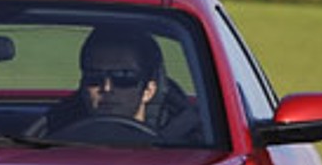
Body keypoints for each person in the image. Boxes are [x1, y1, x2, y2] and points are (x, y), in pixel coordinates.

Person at [30, 28, 198, 141]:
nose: (107, 88)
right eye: (94, 77)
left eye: (124, 77)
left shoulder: (187, 140)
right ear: (82, 85)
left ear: (149, 90)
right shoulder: (50, 136)